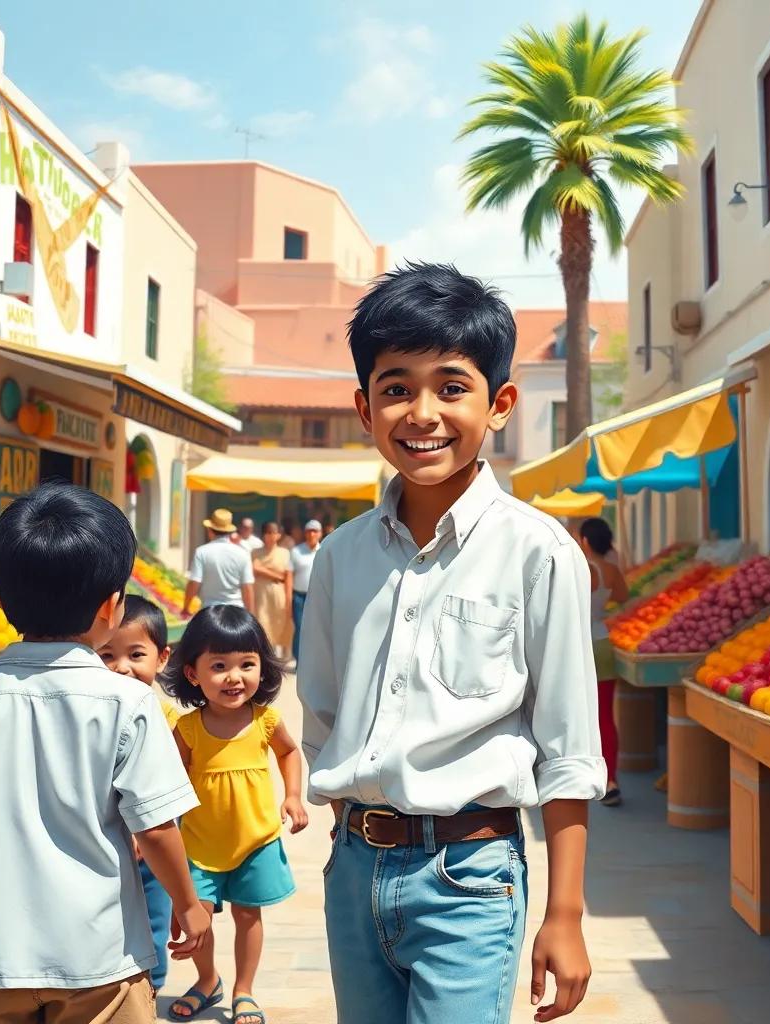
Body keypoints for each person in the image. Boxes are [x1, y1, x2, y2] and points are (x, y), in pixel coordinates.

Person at [298, 262, 606, 1024]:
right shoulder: (340, 557)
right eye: (396, 388)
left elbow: (568, 747)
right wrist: (353, 834)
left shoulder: (541, 554)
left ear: (498, 404)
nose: (422, 413)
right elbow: (327, 713)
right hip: (354, 873)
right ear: (364, 408)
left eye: (451, 387)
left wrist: (563, 914)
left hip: (469, 876)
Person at [0, 481, 208, 1023]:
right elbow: (156, 829)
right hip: (101, 960)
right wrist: (188, 903)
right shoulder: (129, 703)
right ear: (112, 607)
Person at [162, 605, 309, 1024]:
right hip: (200, 842)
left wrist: (293, 796)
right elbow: (169, 783)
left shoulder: (265, 720)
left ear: (262, 669)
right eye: (219, 665)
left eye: (247, 664)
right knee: (198, 918)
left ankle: (244, 990)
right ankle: (207, 979)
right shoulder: (188, 729)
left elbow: (289, 751)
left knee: (249, 914)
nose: (234, 677)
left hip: (256, 840)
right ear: (193, 673)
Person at [98, 595, 182, 997]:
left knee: (155, 906)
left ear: (162, 657)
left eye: (135, 654)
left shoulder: (169, 720)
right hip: (112, 832)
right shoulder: (93, 711)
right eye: (107, 654)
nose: (121, 667)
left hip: (156, 831)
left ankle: (153, 984)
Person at [578, 518, 630, 808]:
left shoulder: (582, 567)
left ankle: (585, 776)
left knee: (579, 717)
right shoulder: (611, 570)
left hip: (579, 645)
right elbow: (623, 597)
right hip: (602, 640)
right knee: (605, 716)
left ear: (585, 541)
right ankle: (612, 780)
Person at [184, 509, 255, 615]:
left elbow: (194, 583)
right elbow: (247, 588)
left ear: (210, 530)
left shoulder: (202, 552)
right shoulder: (242, 553)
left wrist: (186, 607)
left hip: (209, 612)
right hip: (236, 612)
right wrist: (250, 615)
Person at [251, 522, 294, 657]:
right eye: (268, 533)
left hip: (278, 593)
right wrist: (276, 575)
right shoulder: (255, 552)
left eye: (274, 533)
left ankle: (280, 657)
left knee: (279, 624)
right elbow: (253, 569)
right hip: (261, 593)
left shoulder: (285, 553)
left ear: (279, 535)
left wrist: (289, 599)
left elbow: (287, 577)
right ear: (263, 535)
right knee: (262, 623)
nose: (271, 536)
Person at [288, 520, 321, 664]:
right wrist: (288, 598)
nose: (312, 534)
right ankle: (299, 661)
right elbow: (289, 576)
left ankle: (313, 662)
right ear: (305, 533)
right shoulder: (296, 551)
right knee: (301, 628)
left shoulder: (325, 550)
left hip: (318, 597)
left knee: (317, 629)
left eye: (315, 531)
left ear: (320, 533)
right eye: (309, 531)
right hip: (299, 596)